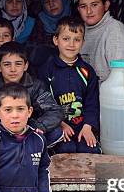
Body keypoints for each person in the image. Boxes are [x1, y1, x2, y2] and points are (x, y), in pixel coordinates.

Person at [0, 42, 64, 145]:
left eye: (18, 64)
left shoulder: (35, 86)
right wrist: (1, 127)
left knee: (56, 132)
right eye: (7, 64)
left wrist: (36, 127)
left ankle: (30, 151)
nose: (13, 69)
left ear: (26, 66)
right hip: (1, 132)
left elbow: (54, 110)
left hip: (29, 131)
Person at [37, 16, 100, 154]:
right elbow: (43, 103)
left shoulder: (87, 71)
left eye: (76, 39)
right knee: (66, 149)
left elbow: (92, 102)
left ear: (83, 42)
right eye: (66, 39)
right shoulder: (46, 70)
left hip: (83, 124)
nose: (71, 44)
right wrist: (60, 124)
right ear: (56, 40)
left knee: (90, 150)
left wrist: (88, 126)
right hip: (58, 125)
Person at [77, 0, 124, 82]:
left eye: (94, 5)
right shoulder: (80, 30)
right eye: (83, 7)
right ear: (78, 9)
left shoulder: (116, 32)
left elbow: (123, 79)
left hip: (107, 95)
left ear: (106, 5)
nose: (89, 11)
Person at [28, 0, 71, 67]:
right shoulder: (39, 23)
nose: (51, 4)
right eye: (47, 2)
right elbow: (34, 56)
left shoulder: (75, 20)